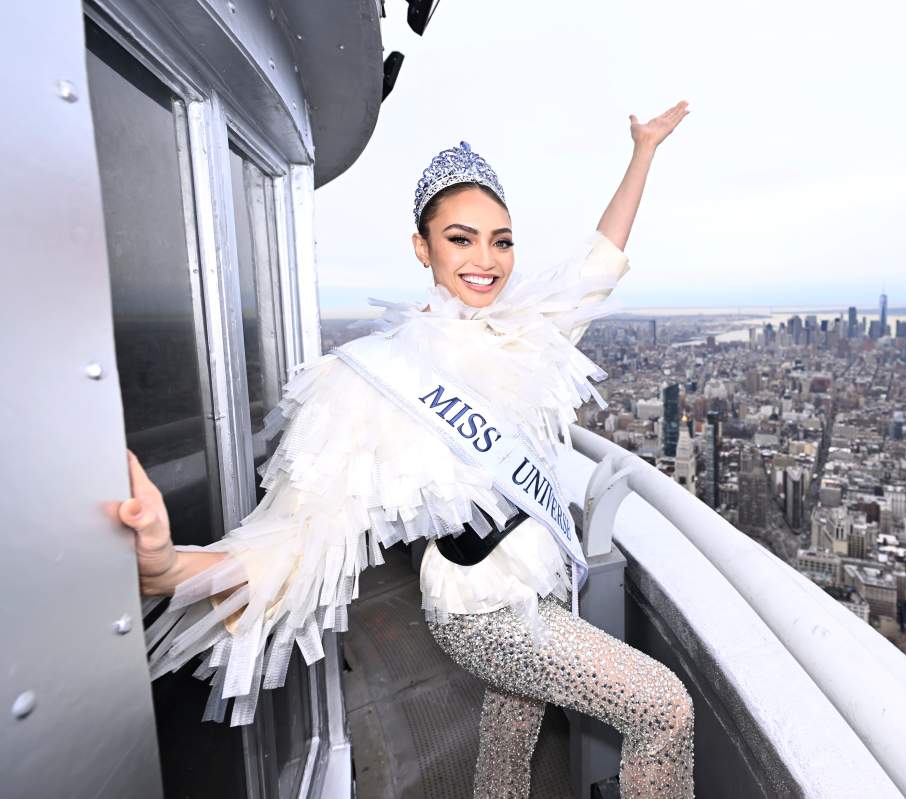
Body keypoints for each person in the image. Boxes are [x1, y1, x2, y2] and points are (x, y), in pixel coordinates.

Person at [119, 100, 693, 797]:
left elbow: (599, 264)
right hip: (483, 614)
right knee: (664, 708)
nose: (486, 260)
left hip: (538, 589)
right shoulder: (370, 379)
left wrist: (642, 152)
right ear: (422, 247)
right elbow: (294, 537)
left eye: (502, 241)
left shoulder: (521, 335)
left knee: (508, 749)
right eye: (460, 239)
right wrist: (168, 567)